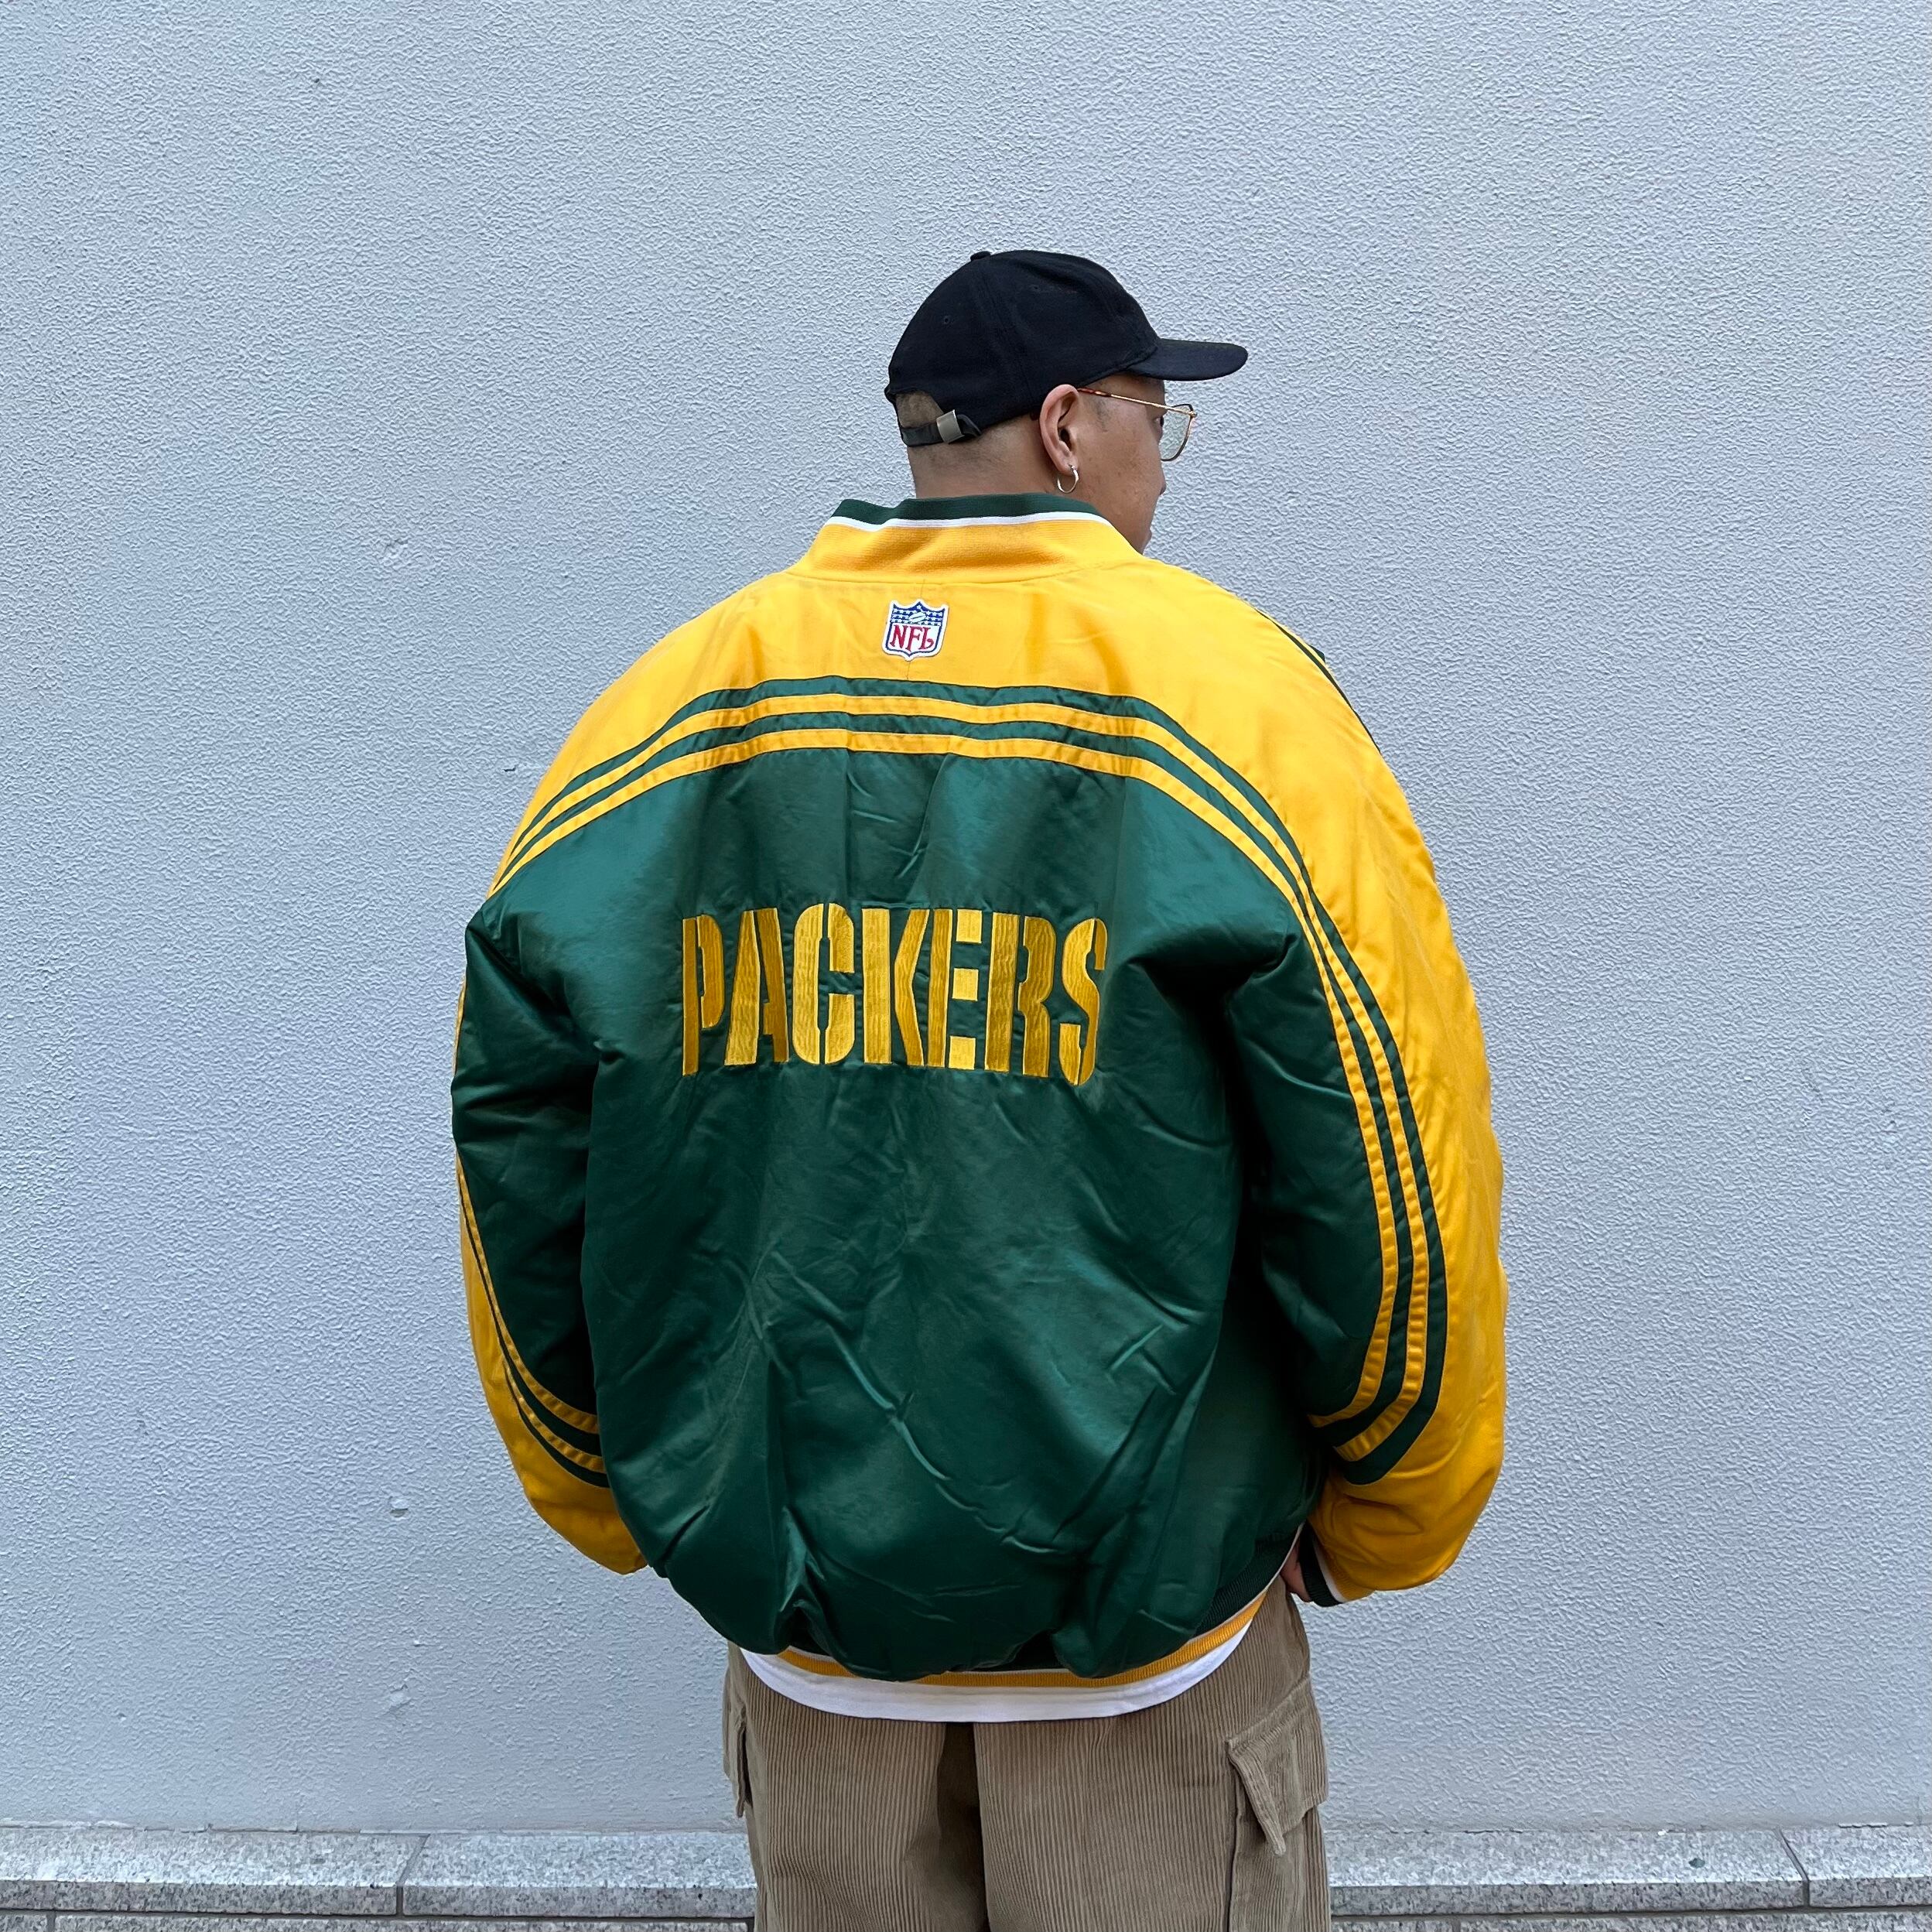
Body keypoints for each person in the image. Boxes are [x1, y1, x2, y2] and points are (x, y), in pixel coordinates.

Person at [450, 248, 1507, 1932]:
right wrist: (1385, 1512)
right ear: (1072, 427)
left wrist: (621, 1484)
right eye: (1161, 420)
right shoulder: (1239, 703)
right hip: (1151, 1668)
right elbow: (1389, 1170)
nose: (1166, 462)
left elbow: (519, 1137)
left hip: (812, 1666)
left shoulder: (669, 702)